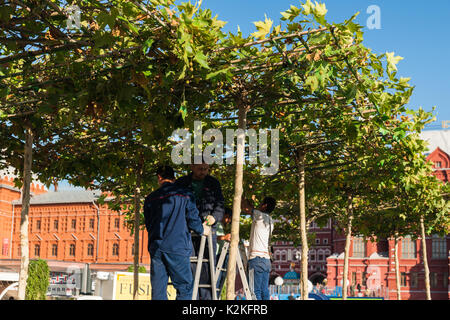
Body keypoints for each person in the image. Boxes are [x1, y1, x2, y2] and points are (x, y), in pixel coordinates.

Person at [144, 165, 210, 300]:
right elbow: (193, 219)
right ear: (174, 178)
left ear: (159, 177)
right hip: (177, 246)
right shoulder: (185, 195)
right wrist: (202, 229)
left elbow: (149, 224)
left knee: (158, 291)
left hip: (156, 247)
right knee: (185, 288)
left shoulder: (150, 198)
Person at [175, 161, 225, 300]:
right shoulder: (181, 183)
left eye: (206, 169)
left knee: (208, 268)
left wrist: (214, 218)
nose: (203, 171)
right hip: (186, 231)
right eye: (200, 169)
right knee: (188, 266)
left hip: (208, 232)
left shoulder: (213, 183)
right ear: (191, 166)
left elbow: (220, 205)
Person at [241, 196, 276, 300]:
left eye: (261, 203)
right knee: (264, 290)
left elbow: (245, 208)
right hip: (266, 260)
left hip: (256, 259)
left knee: (254, 291)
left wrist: (243, 195)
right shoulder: (270, 221)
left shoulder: (259, 216)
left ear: (264, 206)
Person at [215, 208, 232, 293]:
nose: (228, 221)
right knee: (216, 279)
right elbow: (212, 237)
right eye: (228, 218)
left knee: (221, 278)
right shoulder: (216, 224)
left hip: (220, 254)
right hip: (215, 254)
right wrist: (224, 237)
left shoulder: (221, 225)